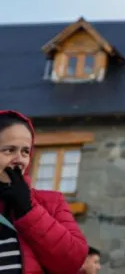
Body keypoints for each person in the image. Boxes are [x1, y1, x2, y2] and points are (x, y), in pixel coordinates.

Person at [0, 110, 89, 274]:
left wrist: (28, 211)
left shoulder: (51, 202)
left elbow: (73, 260)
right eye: (9, 150)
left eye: (25, 151)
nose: (19, 159)